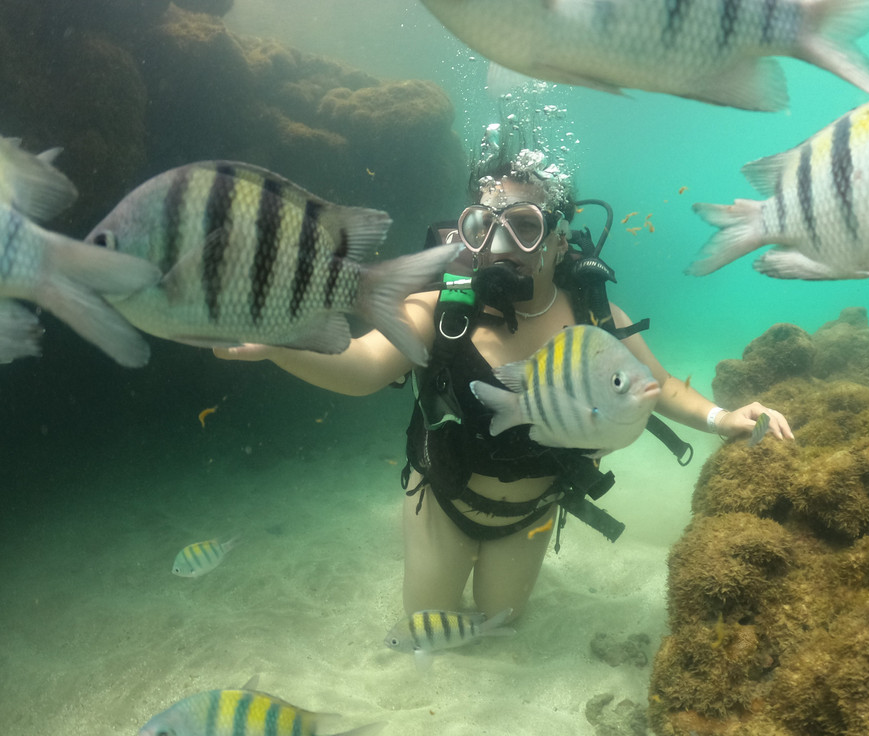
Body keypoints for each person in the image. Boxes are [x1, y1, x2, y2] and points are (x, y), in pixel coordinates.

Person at [215, 146, 793, 622]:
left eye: (524, 226)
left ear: (560, 240)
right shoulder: (442, 309)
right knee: (428, 627)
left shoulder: (593, 315)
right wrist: (277, 341)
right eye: (482, 225)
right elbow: (363, 365)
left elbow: (658, 385)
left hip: (533, 510)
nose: (498, 246)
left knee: (501, 624)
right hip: (442, 501)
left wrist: (723, 418)